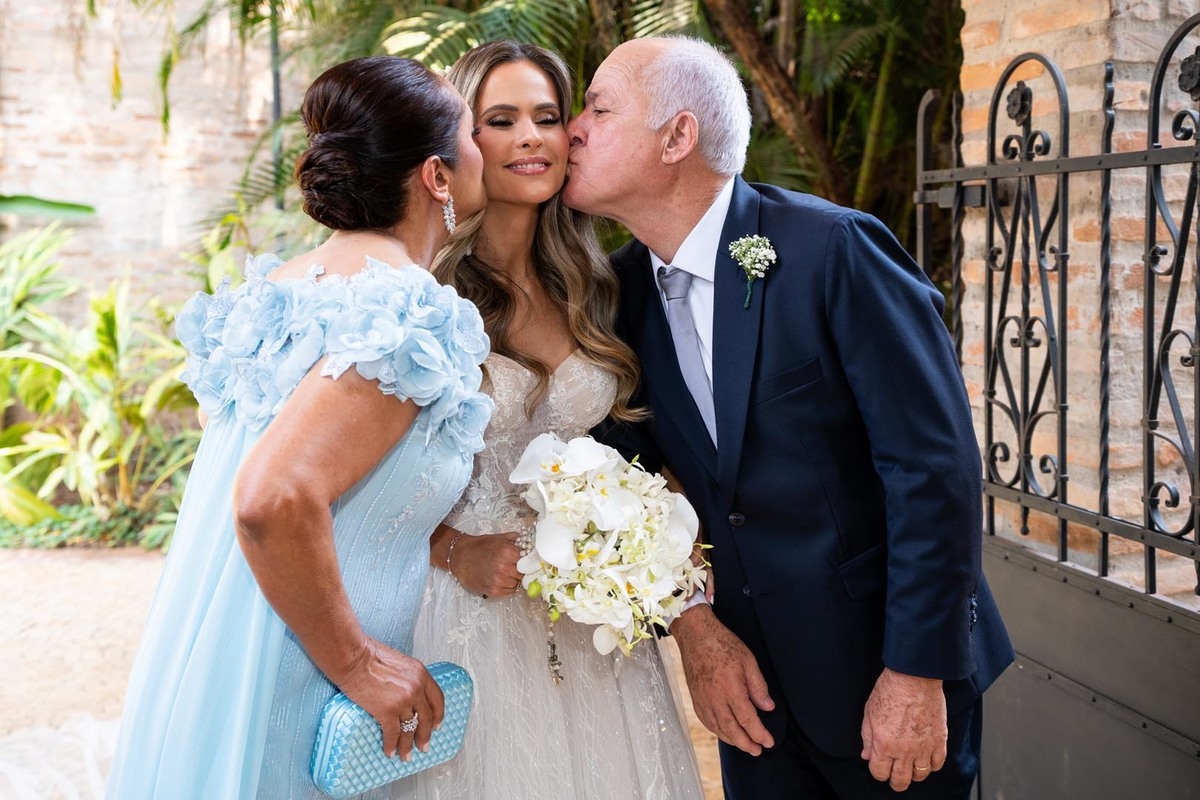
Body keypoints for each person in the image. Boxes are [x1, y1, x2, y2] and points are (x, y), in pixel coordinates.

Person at [571, 37, 1015, 799]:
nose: (573, 128)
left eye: (598, 108)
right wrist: (694, 631)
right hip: (751, 700)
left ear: (678, 136)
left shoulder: (832, 250)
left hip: (887, 681)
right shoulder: (615, 301)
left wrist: (914, 672)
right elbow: (628, 484)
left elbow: (933, 467)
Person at [106, 55, 491, 799]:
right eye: (473, 132)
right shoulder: (410, 311)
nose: (485, 149)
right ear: (437, 177)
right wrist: (357, 663)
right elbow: (269, 495)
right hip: (296, 690)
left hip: (217, 657)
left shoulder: (283, 290)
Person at [406, 41, 705, 799]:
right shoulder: (426, 295)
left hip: (594, 623)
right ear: (461, 142)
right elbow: (365, 485)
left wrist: (647, 550)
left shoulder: (599, 285)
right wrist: (453, 550)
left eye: (547, 117)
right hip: (472, 610)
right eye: (501, 120)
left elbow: (640, 451)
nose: (533, 138)